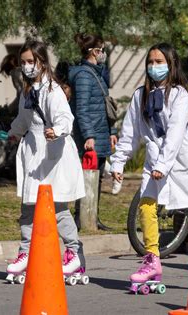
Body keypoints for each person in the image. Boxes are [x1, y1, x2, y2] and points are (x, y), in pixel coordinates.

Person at [110, 43, 188, 288]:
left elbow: (175, 134)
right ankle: (152, 260)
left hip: (181, 161)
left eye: (159, 62)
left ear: (171, 65)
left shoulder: (179, 95)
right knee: (146, 206)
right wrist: (119, 162)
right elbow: (130, 134)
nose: (154, 67)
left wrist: (164, 165)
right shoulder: (139, 96)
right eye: (150, 62)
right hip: (155, 161)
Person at [6, 40, 86, 281]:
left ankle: (74, 252)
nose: (27, 66)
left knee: (58, 207)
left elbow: (65, 117)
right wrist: (14, 132)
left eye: (31, 61)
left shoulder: (53, 90)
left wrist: (57, 130)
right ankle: (26, 253)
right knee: (28, 207)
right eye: (23, 63)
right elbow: (24, 117)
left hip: (53, 154)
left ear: (42, 62)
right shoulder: (27, 91)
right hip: (33, 153)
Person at [68, 33, 118, 230]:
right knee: (86, 178)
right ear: (94, 52)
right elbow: (81, 109)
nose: (103, 54)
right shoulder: (83, 76)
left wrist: (112, 131)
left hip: (101, 134)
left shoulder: (97, 74)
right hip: (91, 137)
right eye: (102, 50)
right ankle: (81, 217)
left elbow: (106, 107)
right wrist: (88, 135)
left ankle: (93, 217)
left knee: (96, 179)